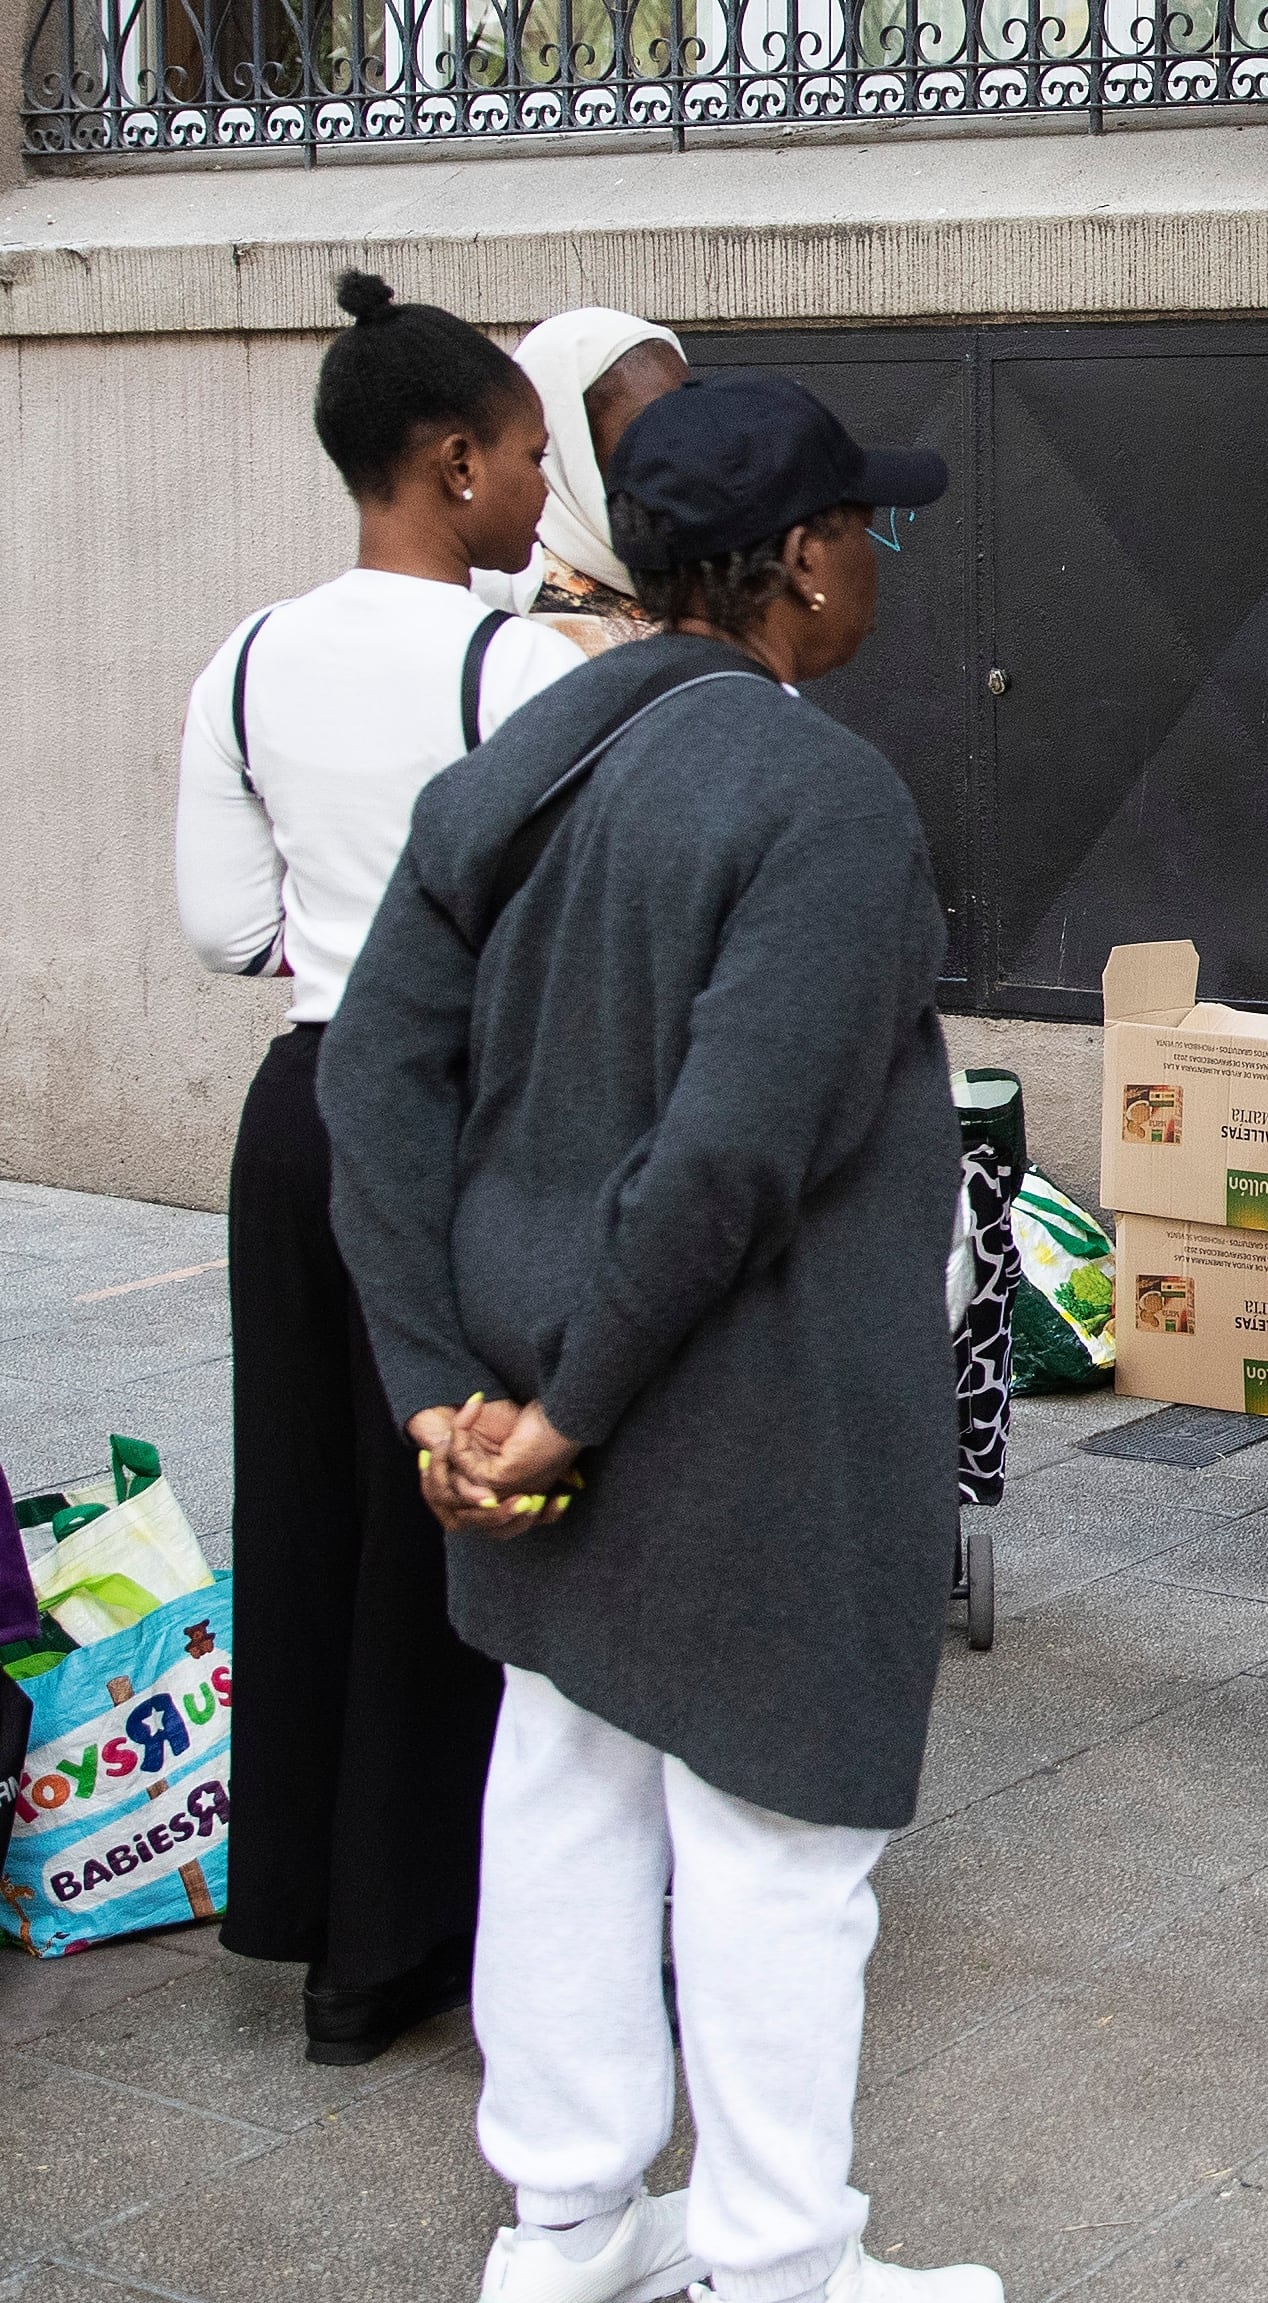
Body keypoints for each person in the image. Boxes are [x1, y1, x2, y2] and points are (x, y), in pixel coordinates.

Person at [320, 371, 1007, 2303]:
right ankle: (779, 2284)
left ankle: (563, 2228)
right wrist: (557, 1402)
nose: (878, 559)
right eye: (863, 530)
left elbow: (371, 1079)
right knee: (779, 1829)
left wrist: (456, 1387)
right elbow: (734, 1152)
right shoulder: (818, 797)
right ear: (797, 563)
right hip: (742, 1390)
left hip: (541, 1367)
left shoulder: (533, 751)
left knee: (569, 1780)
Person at [173, 269, 582, 2066]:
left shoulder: (246, 655)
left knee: (313, 1503)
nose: (537, 497)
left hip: (305, 1104)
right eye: (521, 458)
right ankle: (433, 1920)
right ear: (446, 462)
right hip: (467, 1110)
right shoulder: (520, 664)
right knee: (468, 1513)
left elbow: (216, 926)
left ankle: (318, 1922)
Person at [478, 307, 689, 654]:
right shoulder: (500, 601)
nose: (676, 448)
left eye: (685, 419)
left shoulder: (716, 579)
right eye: (644, 427)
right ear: (565, 439)